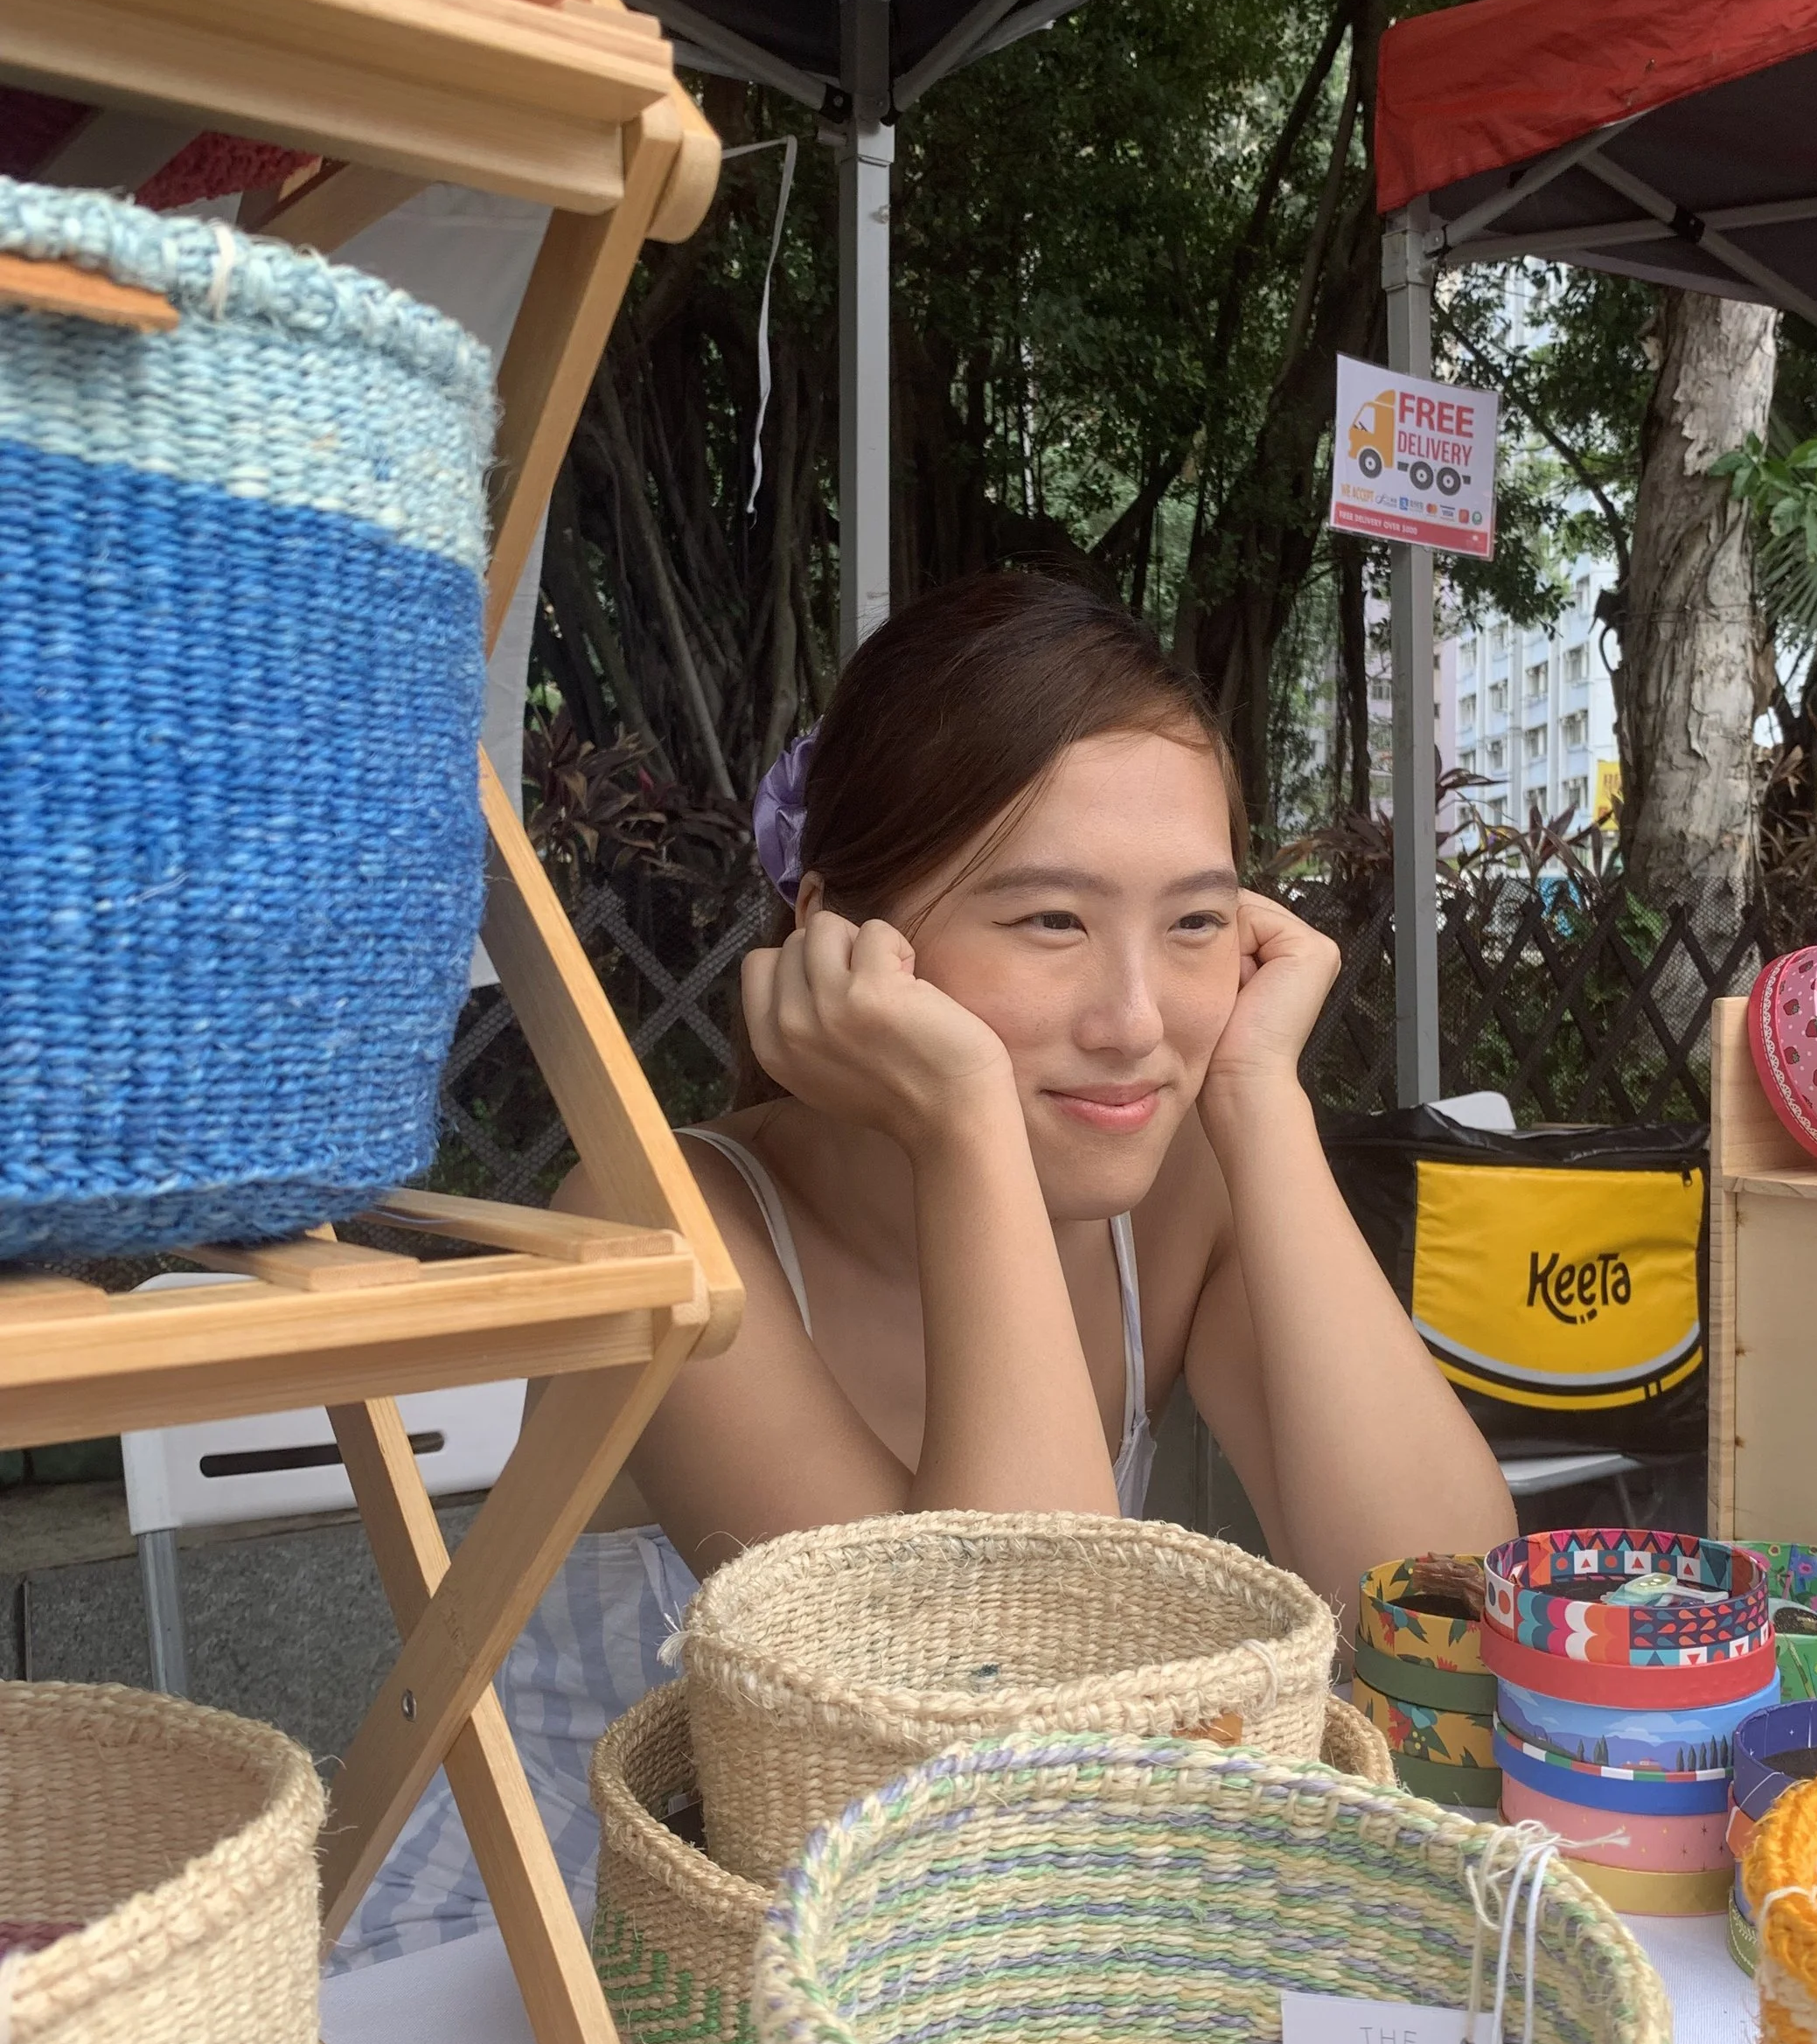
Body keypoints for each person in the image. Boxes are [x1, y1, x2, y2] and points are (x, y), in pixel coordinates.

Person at [335, 568, 1510, 1964]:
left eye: (1197, 924)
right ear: (843, 944)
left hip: (949, 1984)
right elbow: (1003, 1717)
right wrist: (966, 1127)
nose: (1137, 1020)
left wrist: (1262, 1100)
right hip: (554, 1991)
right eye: (1049, 922)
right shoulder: (671, 1229)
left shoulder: (1175, 1199)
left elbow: (1446, 1612)